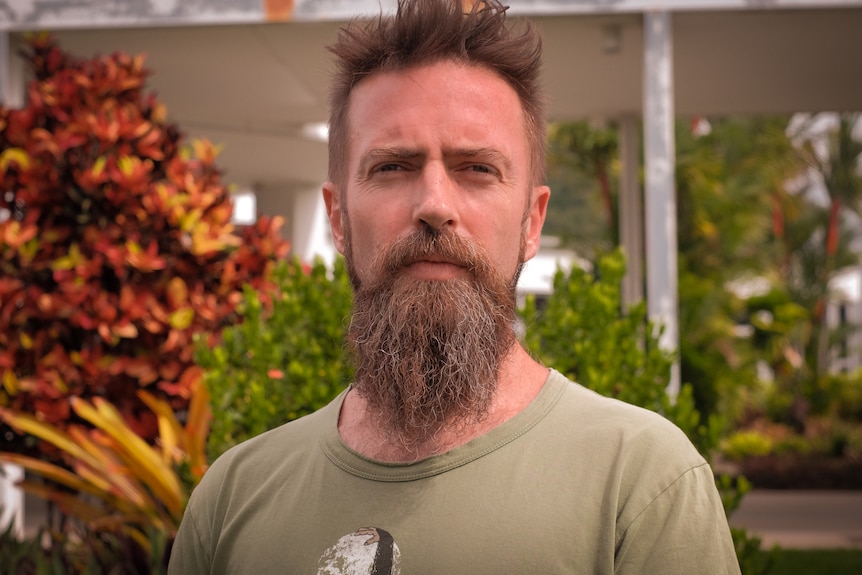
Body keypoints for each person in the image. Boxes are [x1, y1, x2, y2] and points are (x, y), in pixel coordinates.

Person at [168, 1, 741, 573]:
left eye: (477, 169)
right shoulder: (231, 500)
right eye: (393, 166)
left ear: (532, 222)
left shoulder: (642, 484)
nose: (435, 206)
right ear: (338, 219)